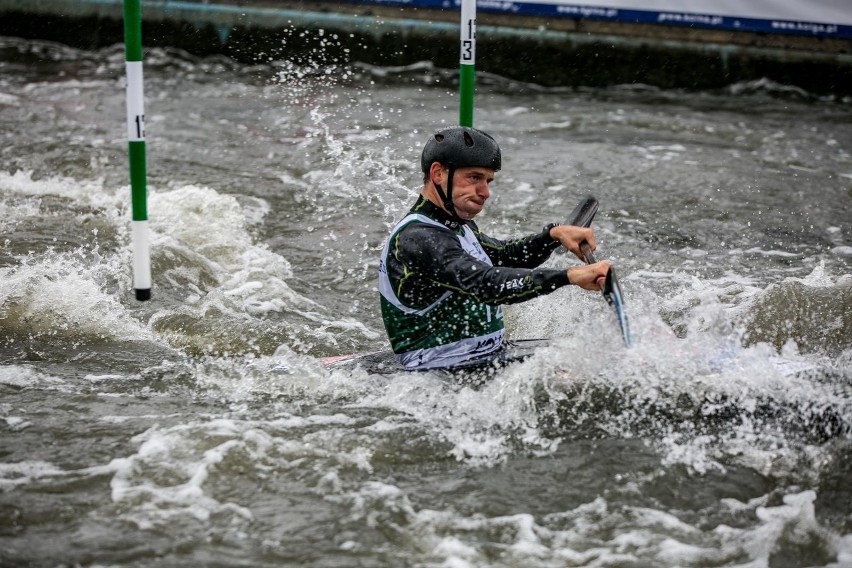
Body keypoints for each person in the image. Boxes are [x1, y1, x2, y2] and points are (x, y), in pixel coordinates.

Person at [378, 126, 611, 371]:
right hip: (436, 368)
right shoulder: (418, 237)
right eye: (474, 178)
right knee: (586, 366)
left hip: (480, 357)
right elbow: (485, 283)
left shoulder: (456, 226)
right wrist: (569, 276)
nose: (485, 192)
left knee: (590, 354)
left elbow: (503, 256)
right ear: (438, 174)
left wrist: (553, 236)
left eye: (488, 181)